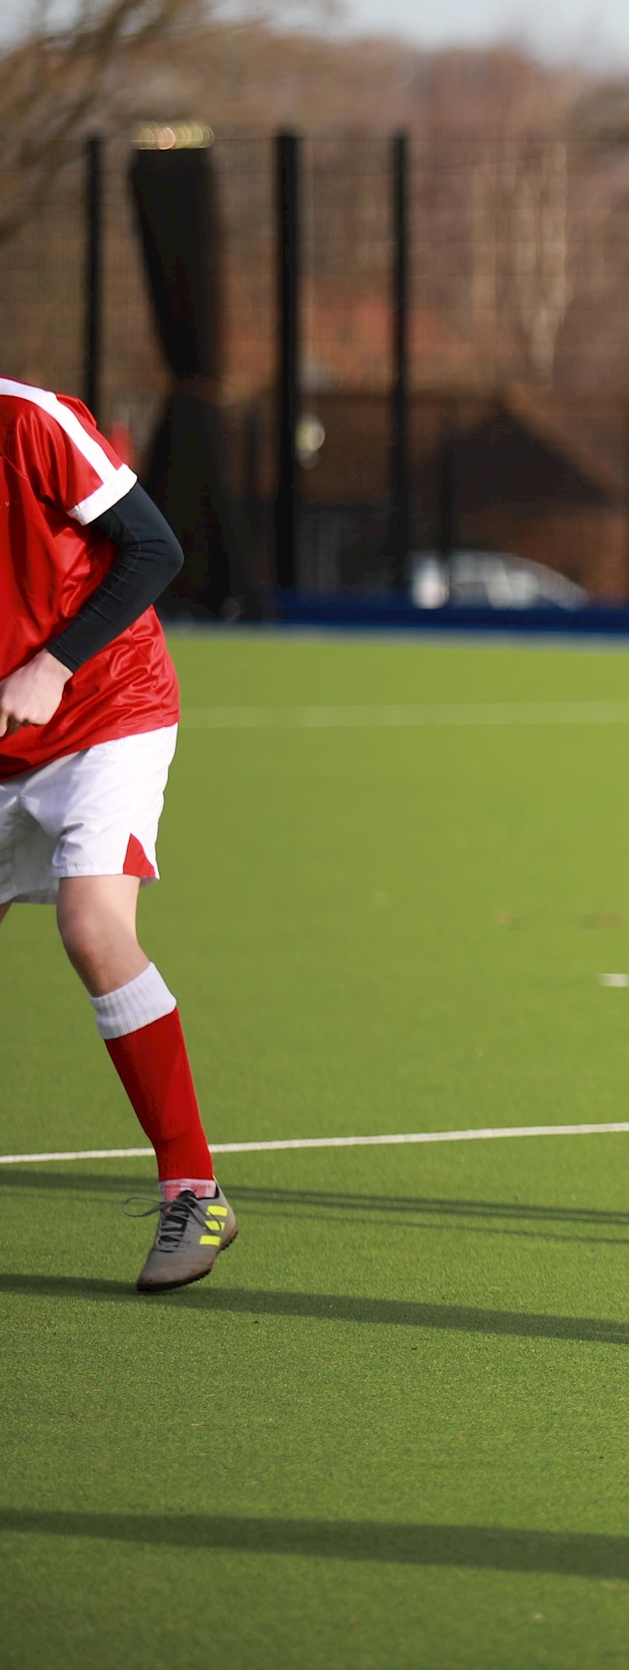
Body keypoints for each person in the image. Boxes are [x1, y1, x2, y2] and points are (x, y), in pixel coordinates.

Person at [0, 374, 226, 1291]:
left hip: (104, 706)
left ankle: (194, 1191)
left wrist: (52, 665)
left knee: (94, 927)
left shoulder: (32, 421)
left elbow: (155, 548)